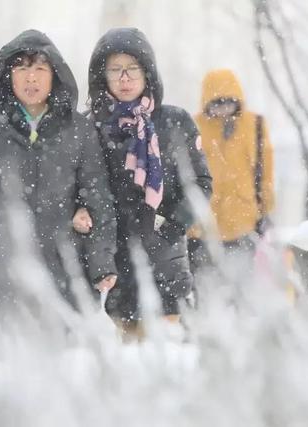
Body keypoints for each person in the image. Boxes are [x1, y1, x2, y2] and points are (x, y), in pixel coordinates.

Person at [0, 29, 117, 321]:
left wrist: (101, 263)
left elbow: (98, 199)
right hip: (0, 278)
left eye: (40, 68)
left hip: (64, 276)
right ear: (8, 75)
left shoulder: (79, 131)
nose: (31, 78)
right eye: (22, 68)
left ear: (55, 75)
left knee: (63, 361)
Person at [75, 28, 212, 333]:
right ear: (103, 76)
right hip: (112, 267)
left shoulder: (174, 122)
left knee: (167, 359)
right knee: (124, 360)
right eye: (115, 70)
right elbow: (76, 190)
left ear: (148, 72)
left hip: (165, 260)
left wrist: (173, 226)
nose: (124, 78)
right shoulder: (88, 128)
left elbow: (201, 184)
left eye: (132, 69)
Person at [191, 69, 275, 275]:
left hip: (244, 221)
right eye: (217, 103)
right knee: (206, 287)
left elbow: (265, 173)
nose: (223, 109)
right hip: (203, 226)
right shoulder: (194, 126)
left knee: (241, 286)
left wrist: (266, 211)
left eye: (228, 102)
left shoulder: (254, 125)